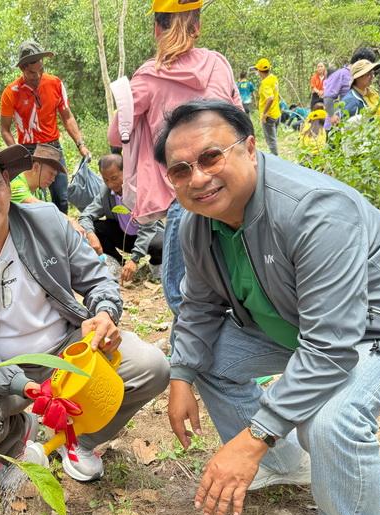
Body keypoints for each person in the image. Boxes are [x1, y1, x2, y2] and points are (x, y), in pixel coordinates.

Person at [155, 99, 380, 515]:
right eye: (181, 169)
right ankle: (287, 462)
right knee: (206, 358)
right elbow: (199, 307)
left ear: (249, 147)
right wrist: (180, 376)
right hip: (294, 325)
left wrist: (252, 438)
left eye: (210, 158)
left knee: (330, 418)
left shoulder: (313, 209)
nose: (197, 179)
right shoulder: (197, 223)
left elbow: (332, 348)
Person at [0, 132, 169, 482]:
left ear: (7, 181)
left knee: (150, 367)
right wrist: (22, 385)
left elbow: (96, 280)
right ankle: (18, 440)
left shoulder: (46, 221)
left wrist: (105, 312)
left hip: (66, 350)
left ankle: (75, 440)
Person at [107, 0, 242, 338]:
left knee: (179, 289)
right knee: (231, 275)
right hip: (232, 193)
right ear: (197, 26)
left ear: (157, 29)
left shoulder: (149, 77)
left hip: (185, 198)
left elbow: (114, 134)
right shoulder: (219, 65)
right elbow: (242, 123)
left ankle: (201, 354)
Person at [0, 40, 90, 214]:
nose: (38, 76)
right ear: (22, 69)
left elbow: (67, 116)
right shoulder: (11, 92)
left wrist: (81, 144)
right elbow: (4, 129)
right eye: (32, 72)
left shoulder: (54, 83)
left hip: (52, 147)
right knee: (30, 201)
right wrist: (17, 153)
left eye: (41, 70)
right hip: (28, 150)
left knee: (61, 196)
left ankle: (62, 232)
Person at [79, 154, 164, 284]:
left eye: (114, 178)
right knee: (96, 228)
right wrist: (90, 234)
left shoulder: (140, 190)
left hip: (147, 236)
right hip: (124, 236)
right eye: (106, 179)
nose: (111, 184)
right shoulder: (105, 192)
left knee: (161, 244)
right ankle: (119, 265)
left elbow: (148, 228)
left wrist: (135, 259)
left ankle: (156, 271)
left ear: (125, 172)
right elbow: (86, 215)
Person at [323, 47, 378, 129]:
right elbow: (328, 97)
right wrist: (332, 115)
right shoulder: (340, 74)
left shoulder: (365, 78)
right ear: (359, 60)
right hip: (336, 126)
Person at [254, 58, 280, 155]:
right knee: (273, 138)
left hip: (268, 116)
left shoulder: (265, 83)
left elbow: (270, 98)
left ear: (260, 71)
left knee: (271, 141)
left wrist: (264, 114)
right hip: (276, 113)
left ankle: (276, 160)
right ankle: (275, 156)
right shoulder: (273, 78)